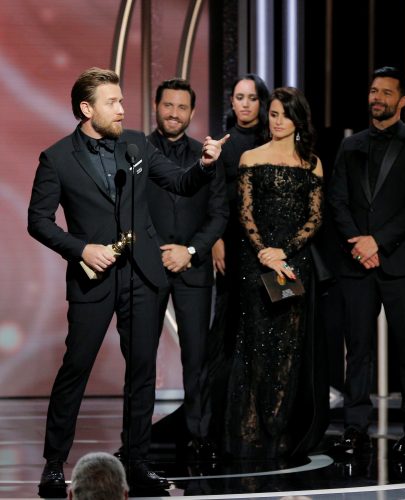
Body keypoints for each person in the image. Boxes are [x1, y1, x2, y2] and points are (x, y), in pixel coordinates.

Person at [27, 67, 227, 496]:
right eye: (112, 102)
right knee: (75, 368)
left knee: (142, 372)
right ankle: (53, 464)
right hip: (94, 276)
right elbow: (37, 221)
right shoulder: (57, 158)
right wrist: (80, 248)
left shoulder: (135, 144)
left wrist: (206, 166)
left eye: (121, 100)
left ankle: (137, 461)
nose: (122, 108)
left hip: (142, 274)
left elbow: (179, 181)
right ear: (87, 108)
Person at [328, 66, 405, 459]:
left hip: (401, 261)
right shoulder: (350, 144)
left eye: (387, 92)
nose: (378, 98)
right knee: (357, 349)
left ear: (402, 100)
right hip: (356, 261)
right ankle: (355, 427)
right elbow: (336, 199)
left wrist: (378, 242)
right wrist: (360, 243)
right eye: (374, 91)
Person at [224, 87, 329, 458]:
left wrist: (284, 252)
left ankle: (278, 427)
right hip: (257, 263)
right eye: (273, 114)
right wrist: (265, 253)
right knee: (254, 344)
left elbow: (316, 217)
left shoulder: (311, 162)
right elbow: (245, 213)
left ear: (298, 119)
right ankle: (249, 429)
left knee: (288, 347)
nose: (278, 120)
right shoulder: (251, 157)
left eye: (285, 114)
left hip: (292, 264)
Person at [147, 78, 228, 459]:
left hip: (193, 267)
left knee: (196, 357)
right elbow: (126, 211)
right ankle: (136, 440)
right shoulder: (136, 151)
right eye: (168, 105)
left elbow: (219, 214)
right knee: (141, 356)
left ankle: (199, 434)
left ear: (192, 113)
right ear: (156, 106)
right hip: (148, 266)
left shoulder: (207, 155)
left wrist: (192, 250)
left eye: (182, 107)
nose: (174, 113)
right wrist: (156, 252)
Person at [208, 74, 270, 440]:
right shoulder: (223, 144)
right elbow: (213, 196)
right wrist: (216, 239)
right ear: (231, 102)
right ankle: (223, 417)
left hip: (264, 245)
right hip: (229, 242)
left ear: (261, 103)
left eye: (252, 98)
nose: (245, 104)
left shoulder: (272, 140)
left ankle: (262, 411)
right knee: (228, 325)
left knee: (264, 323)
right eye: (239, 97)